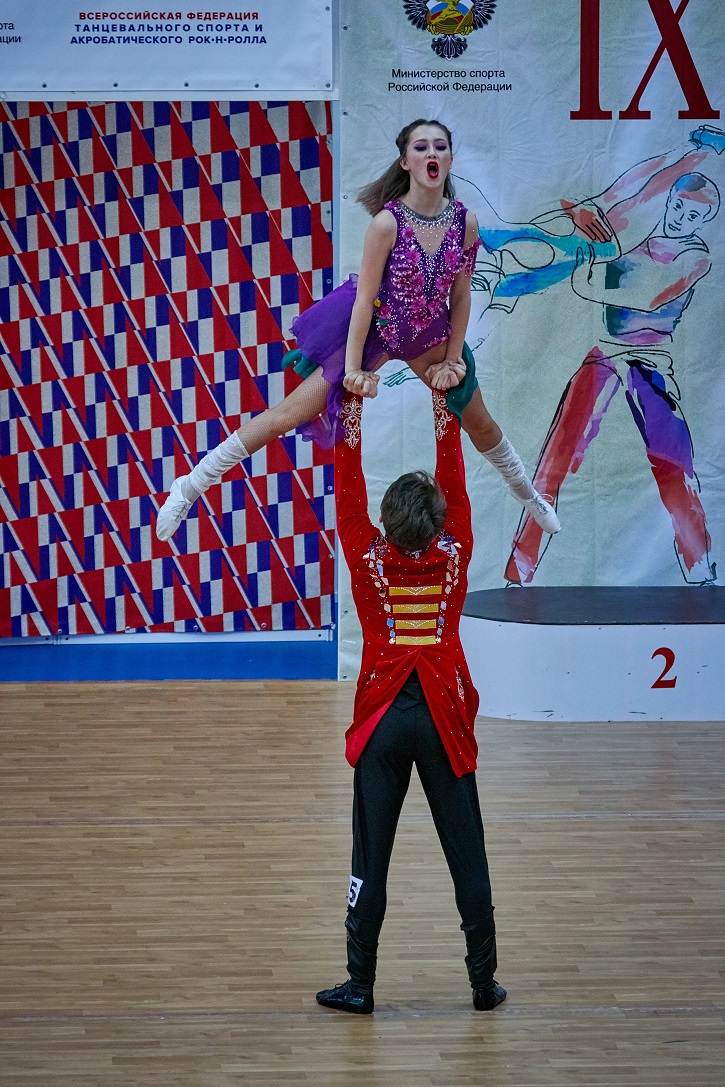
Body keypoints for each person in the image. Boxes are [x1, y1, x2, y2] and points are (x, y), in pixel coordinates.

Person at [155, 118, 560, 541]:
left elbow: (460, 296)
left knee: (480, 424)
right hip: (375, 330)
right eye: (421, 147)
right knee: (288, 413)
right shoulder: (387, 224)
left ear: (450, 159)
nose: (431, 153)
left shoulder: (465, 223)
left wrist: (454, 359)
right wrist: (352, 369)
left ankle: (531, 497)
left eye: (440, 146)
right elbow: (364, 301)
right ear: (405, 161)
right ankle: (190, 486)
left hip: (430, 336)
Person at [315, 384, 506, 1015]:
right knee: (467, 854)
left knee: (369, 856)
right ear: (439, 520)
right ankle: (483, 984)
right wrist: (443, 395)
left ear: (387, 521)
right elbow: (453, 472)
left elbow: (346, 479)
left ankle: (360, 983)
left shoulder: (364, 553)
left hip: (382, 722)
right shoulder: (457, 548)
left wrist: (350, 401)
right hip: (444, 718)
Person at [504, 166, 720, 586]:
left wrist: (597, 270)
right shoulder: (640, 246)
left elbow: (646, 296)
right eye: (678, 207)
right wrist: (594, 260)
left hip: (650, 363)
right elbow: (589, 280)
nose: (681, 218)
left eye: (693, 215)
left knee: (675, 467)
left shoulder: (696, 257)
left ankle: (699, 569)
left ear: (704, 221)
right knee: (554, 462)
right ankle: (519, 570)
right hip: (604, 356)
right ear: (669, 201)